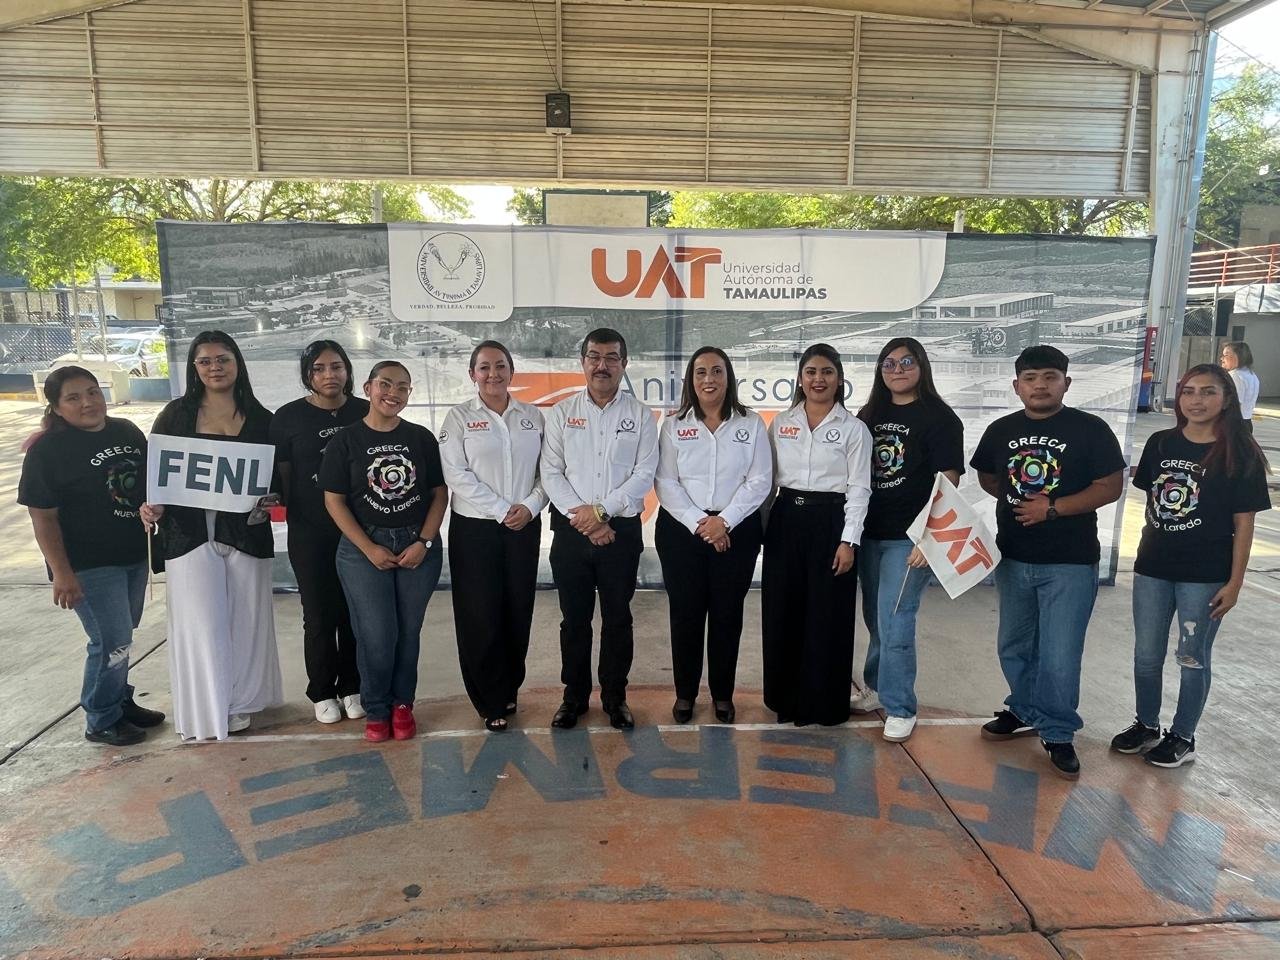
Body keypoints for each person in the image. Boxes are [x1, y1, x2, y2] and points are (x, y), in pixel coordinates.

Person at [970, 344, 1125, 780]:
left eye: (1050, 377)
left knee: (1059, 654)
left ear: (1066, 383)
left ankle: (1057, 731)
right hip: (1013, 558)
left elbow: (1110, 485)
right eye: (1031, 378)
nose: (1040, 385)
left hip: (1070, 563)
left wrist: (1052, 508)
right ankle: (1023, 709)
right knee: (1014, 646)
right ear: (1016, 386)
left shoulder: (1090, 429)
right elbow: (988, 475)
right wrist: (1017, 500)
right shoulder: (1001, 430)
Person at [1111, 364, 1271, 768]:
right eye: (1188, 391)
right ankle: (1146, 724)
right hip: (1153, 569)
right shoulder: (1160, 443)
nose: (1196, 400)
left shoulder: (1240, 452)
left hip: (1205, 576)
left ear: (1227, 399)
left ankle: (1183, 735)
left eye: (1208, 392)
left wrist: (1235, 583)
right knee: (1146, 655)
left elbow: (1244, 523)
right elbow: (1152, 501)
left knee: (1191, 656)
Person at [140, 332, 283, 741]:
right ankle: (205, 707)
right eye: (205, 361)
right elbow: (157, 476)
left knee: (247, 619)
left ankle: (241, 703)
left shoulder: (262, 418)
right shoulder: (174, 416)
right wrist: (151, 506)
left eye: (223, 359)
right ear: (194, 367)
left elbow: (277, 481)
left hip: (246, 534)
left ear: (237, 363)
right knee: (199, 623)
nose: (214, 367)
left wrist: (273, 501)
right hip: (187, 536)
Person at [18, 366, 166, 746]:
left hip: (133, 555)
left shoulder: (126, 431)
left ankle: (119, 700)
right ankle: (101, 717)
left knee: (122, 636)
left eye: (92, 392)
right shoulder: (47, 451)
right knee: (110, 639)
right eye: (73, 397)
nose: (87, 402)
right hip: (88, 565)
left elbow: (149, 483)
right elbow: (43, 518)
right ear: (56, 406)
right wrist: (62, 573)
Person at [320, 361, 446, 742]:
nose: (393, 393)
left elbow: (439, 494)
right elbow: (334, 501)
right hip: (363, 548)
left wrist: (424, 542)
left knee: (408, 631)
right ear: (368, 388)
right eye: (385, 384)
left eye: (402, 387)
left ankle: (402, 703)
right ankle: (376, 708)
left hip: (417, 546)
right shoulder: (345, 441)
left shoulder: (421, 438)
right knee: (376, 633)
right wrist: (369, 548)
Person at [540, 328, 659, 730]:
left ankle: (614, 698)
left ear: (624, 364)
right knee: (573, 621)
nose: (602, 365)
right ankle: (573, 698)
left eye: (611, 358)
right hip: (572, 530)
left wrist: (602, 513)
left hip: (619, 532)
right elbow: (551, 472)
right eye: (594, 357)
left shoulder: (640, 415)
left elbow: (644, 474)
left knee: (617, 619)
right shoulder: (562, 413)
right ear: (583, 362)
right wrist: (587, 521)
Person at [854, 338, 964, 742]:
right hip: (869, 533)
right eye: (889, 363)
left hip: (910, 539)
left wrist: (928, 538)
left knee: (896, 620)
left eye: (906, 362)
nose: (897, 370)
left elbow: (948, 482)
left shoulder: (940, 417)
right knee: (876, 618)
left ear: (921, 367)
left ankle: (900, 706)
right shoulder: (870, 414)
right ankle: (877, 687)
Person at [655, 346, 771, 725]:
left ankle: (722, 695)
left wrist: (725, 521)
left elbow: (760, 481)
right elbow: (666, 482)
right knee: (685, 615)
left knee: (727, 615)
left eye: (717, 371)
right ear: (691, 379)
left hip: (736, 532)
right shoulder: (674, 425)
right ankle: (685, 694)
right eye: (701, 372)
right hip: (681, 532)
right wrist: (701, 523)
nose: (709, 379)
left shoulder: (751, 424)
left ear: (728, 377)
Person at [439, 340, 546, 732]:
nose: (493, 374)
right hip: (476, 530)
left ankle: (509, 686)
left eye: (500, 366)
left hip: (524, 527)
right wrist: (502, 509)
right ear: (473, 374)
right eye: (484, 367)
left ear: (511, 371)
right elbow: (456, 475)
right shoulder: (458, 418)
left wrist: (530, 506)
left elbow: (548, 472)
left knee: (517, 610)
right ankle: (488, 699)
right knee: (479, 614)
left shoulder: (533, 416)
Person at [763, 343, 871, 727]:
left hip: (831, 522)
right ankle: (785, 700)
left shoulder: (854, 429)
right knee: (783, 610)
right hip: (786, 520)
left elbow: (859, 489)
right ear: (800, 378)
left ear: (839, 379)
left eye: (826, 372)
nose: (818, 379)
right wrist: (761, 530)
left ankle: (824, 704)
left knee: (827, 615)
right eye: (811, 372)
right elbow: (767, 483)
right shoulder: (781, 423)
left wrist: (849, 540)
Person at [269, 340, 369, 725]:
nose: (330, 375)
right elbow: (283, 477)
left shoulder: (365, 411)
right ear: (307, 375)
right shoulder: (288, 418)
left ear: (348, 371)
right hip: (310, 532)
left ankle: (352, 686)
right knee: (318, 613)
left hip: (359, 531)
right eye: (319, 368)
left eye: (337, 367)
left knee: (355, 612)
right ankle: (323, 690)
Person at [1220, 341, 1260, 433]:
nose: (1222, 358)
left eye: (1226, 355)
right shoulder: (1251, 374)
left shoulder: (1235, 375)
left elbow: (1234, 403)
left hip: (1234, 423)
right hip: (1247, 422)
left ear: (1238, 357)